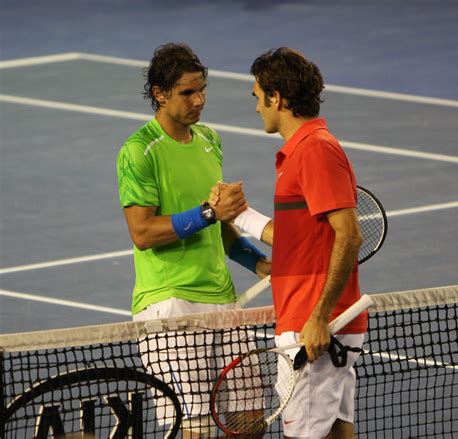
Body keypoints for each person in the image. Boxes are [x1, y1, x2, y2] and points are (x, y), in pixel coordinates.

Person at [210, 47, 367, 439]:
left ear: (276, 98)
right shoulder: (302, 151)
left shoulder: (315, 149)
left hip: (314, 322)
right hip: (312, 317)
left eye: (257, 97)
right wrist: (240, 214)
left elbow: (349, 234)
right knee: (335, 432)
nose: (257, 107)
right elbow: (297, 239)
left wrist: (319, 317)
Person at [116, 43, 269, 438]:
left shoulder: (209, 140)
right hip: (171, 306)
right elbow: (143, 232)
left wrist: (259, 264)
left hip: (223, 301)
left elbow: (217, 225)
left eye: (202, 90)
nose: (198, 100)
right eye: (187, 92)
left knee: (250, 422)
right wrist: (207, 213)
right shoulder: (139, 152)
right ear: (160, 93)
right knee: (195, 429)